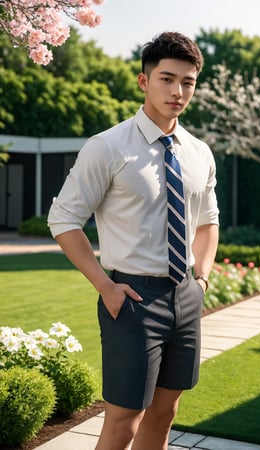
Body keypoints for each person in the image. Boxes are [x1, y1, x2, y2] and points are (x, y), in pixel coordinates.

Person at [48, 31, 219, 450]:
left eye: (188, 82)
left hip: (185, 295)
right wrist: (104, 285)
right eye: (166, 79)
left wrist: (201, 279)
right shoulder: (106, 147)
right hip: (132, 297)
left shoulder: (199, 152)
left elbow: (207, 222)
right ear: (144, 82)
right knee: (124, 419)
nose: (178, 91)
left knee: (166, 413)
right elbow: (64, 218)